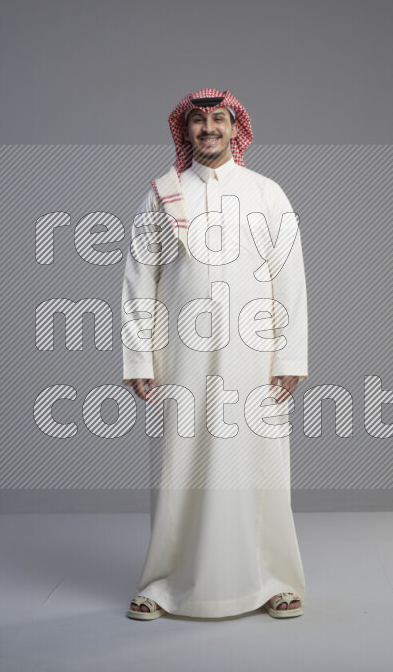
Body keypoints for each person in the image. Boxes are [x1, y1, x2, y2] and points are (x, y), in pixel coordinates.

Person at [121, 88, 308, 619]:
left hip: (255, 356)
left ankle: (273, 581)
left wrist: (290, 358)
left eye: (219, 119)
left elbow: (289, 278)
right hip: (180, 356)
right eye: (199, 121)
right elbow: (139, 279)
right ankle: (162, 584)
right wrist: (139, 358)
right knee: (178, 466)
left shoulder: (267, 193)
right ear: (185, 131)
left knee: (259, 465)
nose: (209, 129)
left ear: (234, 127)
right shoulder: (163, 195)